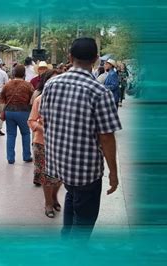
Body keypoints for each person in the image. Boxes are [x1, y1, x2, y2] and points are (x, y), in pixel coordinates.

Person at [41, 37, 122, 238]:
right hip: (86, 170)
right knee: (84, 219)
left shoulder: (52, 84)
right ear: (96, 59)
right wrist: (113, 172)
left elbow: (46, 118)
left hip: (60, 164)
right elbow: (106, 137)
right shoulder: (99, 91)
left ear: (70, 57)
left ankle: (66, 237)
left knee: (72, 195)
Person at [28, 69, 62, 218]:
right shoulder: (39, 99)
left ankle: (54, 196)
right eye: (51, 81)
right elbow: (31, 121)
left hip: (62, 144)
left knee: (61, 176)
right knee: (46, 176)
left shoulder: (67, 100)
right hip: (42, 143)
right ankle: (48, 203)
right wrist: (44, 128)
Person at [0, 65, 34, 165]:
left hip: (9, 112)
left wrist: (3, 111)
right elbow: (32, 99)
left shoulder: (7, 85)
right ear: (24, 74)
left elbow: (1, 99)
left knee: (10, 135)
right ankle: (26, 156)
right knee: (26, 133)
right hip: (23, 112)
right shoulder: (28, 85)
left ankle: (10, 158)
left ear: (13, 73)